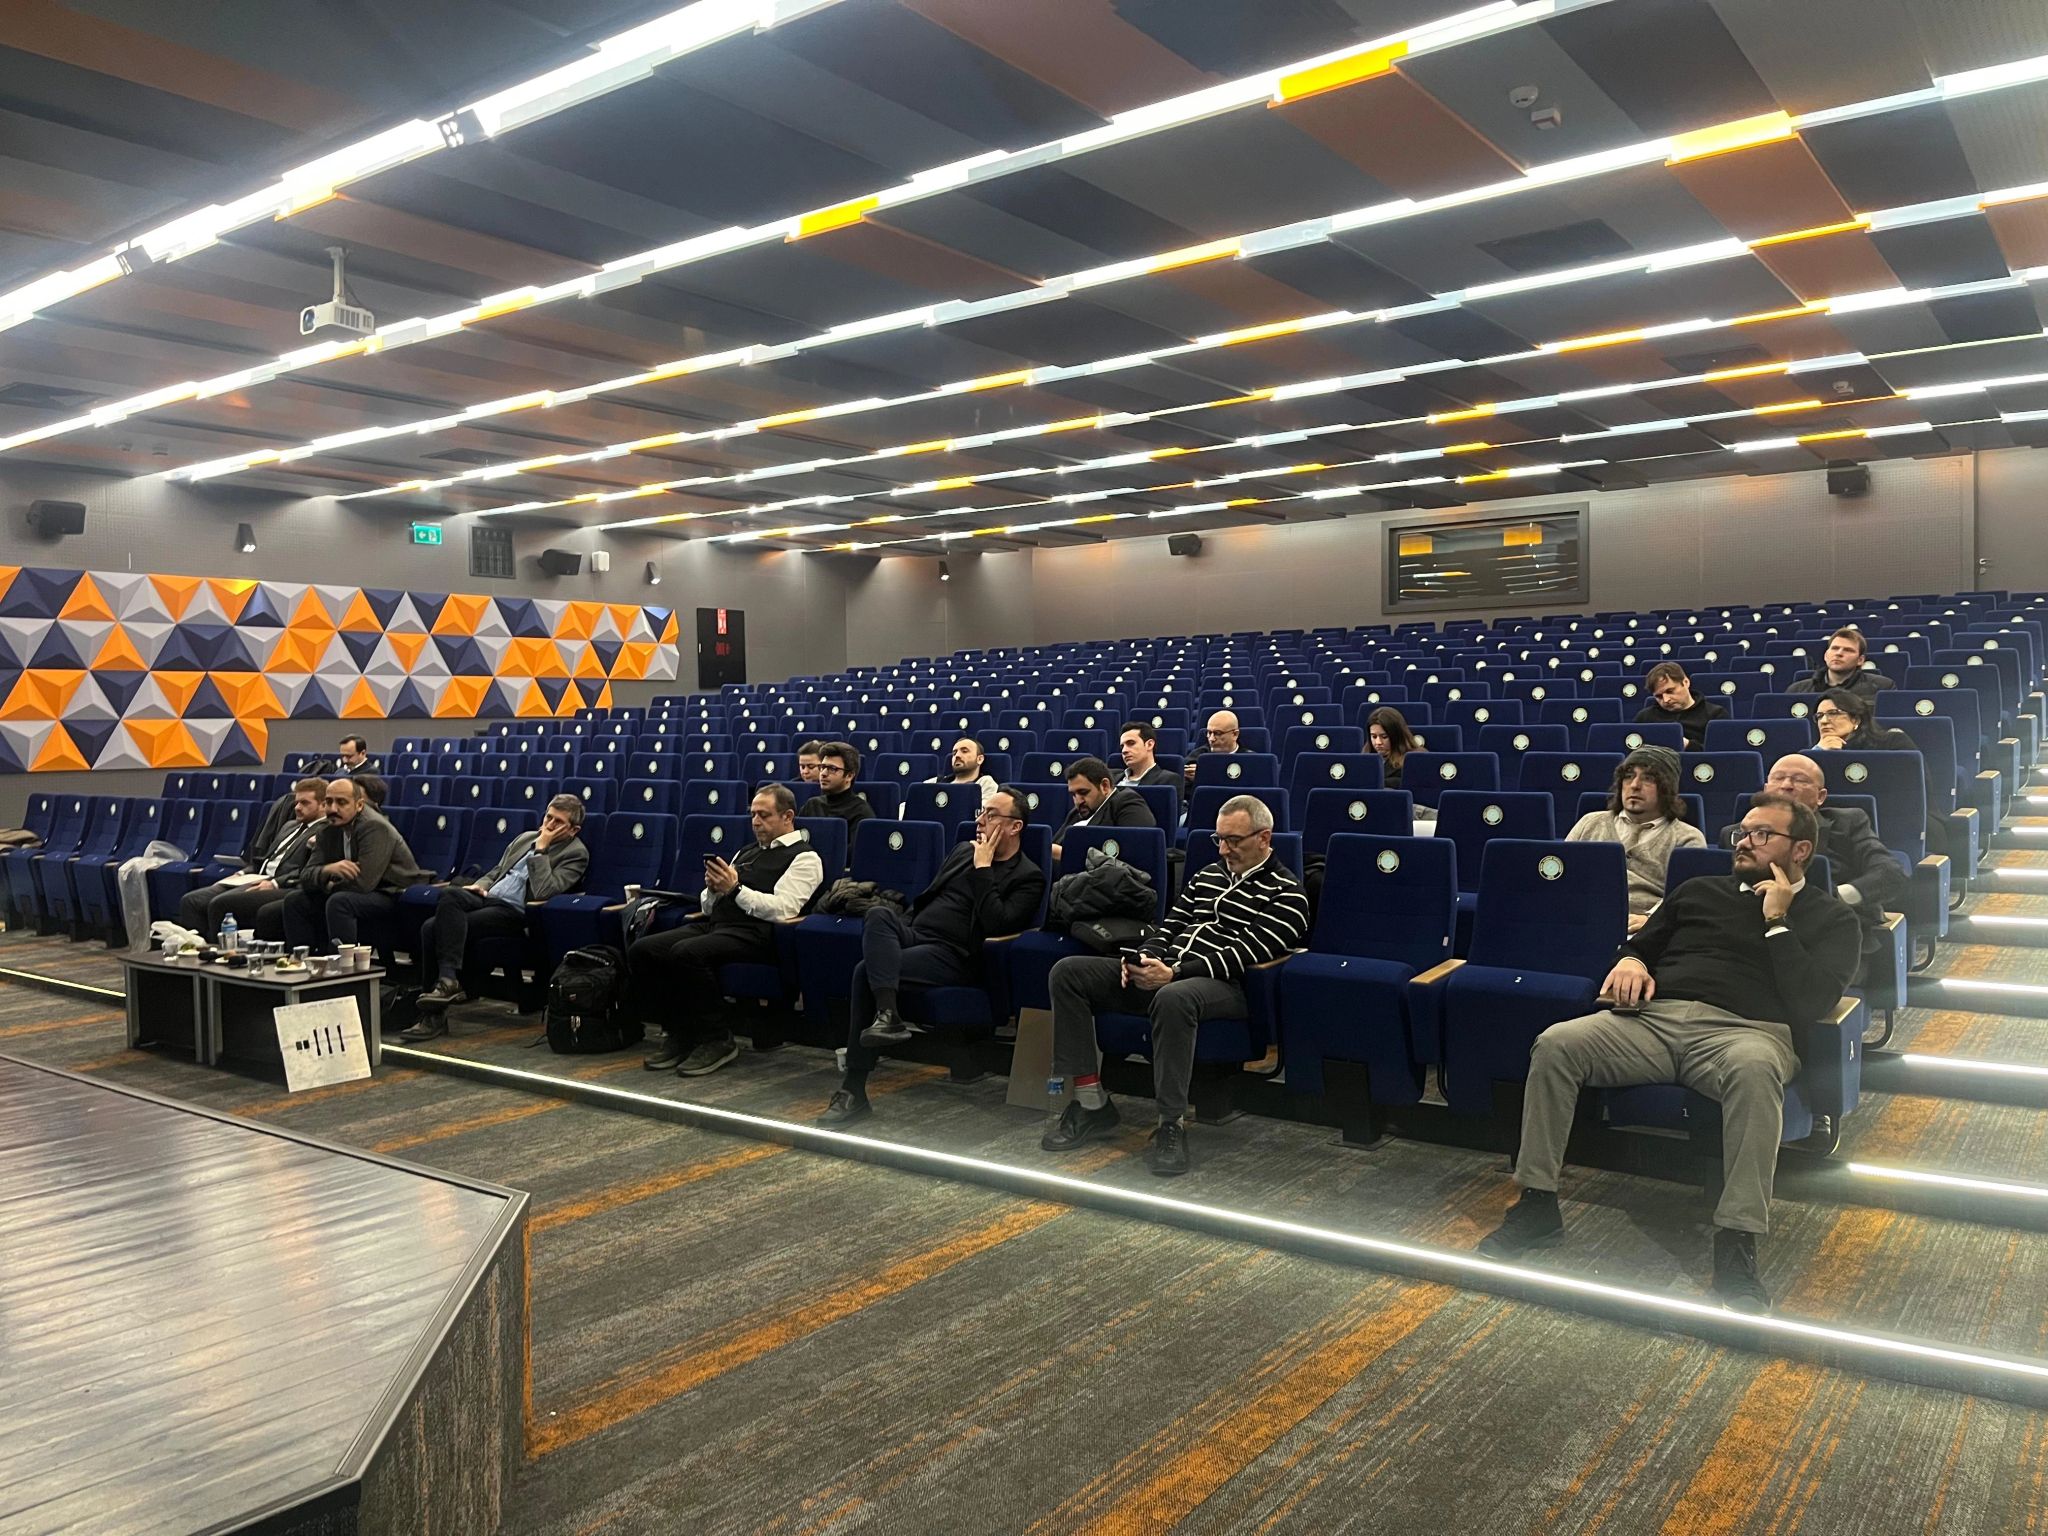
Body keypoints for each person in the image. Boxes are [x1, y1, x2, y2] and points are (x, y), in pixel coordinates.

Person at [1478, 793, 1861, 1313]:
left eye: (1762, 834)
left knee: (1754, 1073)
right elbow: (1640, 944)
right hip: (1654, 1020)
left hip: (1746, 1034)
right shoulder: (1698, 890)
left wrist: (1777, 922)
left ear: (1801, 850)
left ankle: (1737, 1239)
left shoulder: (1832, 918)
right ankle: (1537, 1203)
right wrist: (1632, 960)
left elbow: (1813, 999)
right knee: (1557, 1044)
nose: (1744, 842)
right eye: (1742, 832)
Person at [1038, 795, 1310, 1176]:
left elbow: (1244, 954)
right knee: (1067, 972)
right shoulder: (1208, 875)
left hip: (1224, 987)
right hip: (1169, 973)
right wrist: (1141, 958)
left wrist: (1175, 973)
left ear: (1264, 838)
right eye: (1219, 839)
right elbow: (1170, 926)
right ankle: (1090, 1103)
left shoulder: (1287, 893)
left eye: (1234, 840)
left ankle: (1171, 1124)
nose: (1224, 849)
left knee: (1172, 997)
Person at [817, 787, 1045, 1126]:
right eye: (981, 813)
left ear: (1015, 827)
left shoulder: (1028, 876)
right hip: (916, 934)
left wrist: (983, 869)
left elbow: (997, 923)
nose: (980, 821)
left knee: (866, 972)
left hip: (954, 953)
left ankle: (853, 1088)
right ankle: (887, 1014)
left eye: (991, 815)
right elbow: (929, 896)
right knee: (878, 915)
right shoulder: (961, 851)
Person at [634, 785, 826, 1075]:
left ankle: (717, 1038)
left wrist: (734, 889)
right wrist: (713, 890)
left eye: (764, 815)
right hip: (718, 925)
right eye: (753, 815)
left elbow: (784, 909)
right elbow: (709, 907)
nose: (756, 822)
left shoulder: (805, 858)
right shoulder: (746, 851)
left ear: (788, 816)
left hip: (757, 934)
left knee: (686, 953)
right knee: (644, 950)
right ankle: (680, 1032)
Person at [399, 794, 590, 1038]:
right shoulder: (525, 838)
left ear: (573, 830)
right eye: (548, 817)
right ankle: (447, 982)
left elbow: (544, 891)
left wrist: (542, 850)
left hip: (515, 912)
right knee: (451, 894)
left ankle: (433, 1014)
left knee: (431, 928)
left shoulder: (576, 853)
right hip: (487, 898)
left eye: (558, 822)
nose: (549, 825)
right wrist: (479, 885)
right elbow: (497, 871)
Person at [1740, 754, 1906, 951]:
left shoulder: (1849, 823)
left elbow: (1890, 873)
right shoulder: (1737, 835)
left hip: (1833, 936)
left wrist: (1836, 898)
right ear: (1766, 789)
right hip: (1754, 935)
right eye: (1778, 778)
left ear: (1821, 796)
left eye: (1800, 780)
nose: (1786, 785)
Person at [1565, 746, 1705, 931]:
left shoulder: (1687, 838)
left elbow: (1687, 898)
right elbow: (1564, 879)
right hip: (1582, 921)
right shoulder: (1589, 823)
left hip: (1648, 930)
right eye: (1628, 776)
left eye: (1648, 778)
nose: (1635, 785)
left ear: (1667, 789)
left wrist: (1651, 920)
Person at [279, 778, 425, 954]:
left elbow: (364, 883)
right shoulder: (327, 828)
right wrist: (327, 870)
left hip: (390, 891)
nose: (333, 809)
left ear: (359, 805)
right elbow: (305, 876)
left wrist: (327, 884)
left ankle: (341, 964)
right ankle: (301, 960)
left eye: (341, 802)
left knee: (340, 902)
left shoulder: (374, 827)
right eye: (329, 802)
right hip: (350, 889)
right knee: (295, 900)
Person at [177, 777, 326, 938]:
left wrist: (274, 883)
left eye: (305, 803)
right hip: (256, 876)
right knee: (191, 900)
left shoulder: (324, 832)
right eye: (296, 802)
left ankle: (217, 948)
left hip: (282, 884)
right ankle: (195, 945)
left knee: (220, 904)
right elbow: (264, 860)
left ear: (323, 805)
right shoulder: (289, 826)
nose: (297, 807)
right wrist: (241, 873)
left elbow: (307, 870)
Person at [1813, 687, 1949, 857]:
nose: (1824, 721)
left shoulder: (1893, 743)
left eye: (1833, 713)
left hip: (1900, 825)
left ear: (1856, 719)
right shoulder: (1817, 754)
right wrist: (1818, 752)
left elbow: (1914, 794)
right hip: (1839, 833)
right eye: (1819, 716)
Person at [1050, 756, 1157, 866]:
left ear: (1105, 786)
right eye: (1073, 795)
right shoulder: (1077, 812)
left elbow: (1134, 856)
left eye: (1083, 792)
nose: (1078, 801)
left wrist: (1064, 854)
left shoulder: (1127, 803)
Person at [1634, 662, 1727, 751]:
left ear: (1686, 682)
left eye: (1670, 691)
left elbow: (1721, 753)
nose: (1666, 700)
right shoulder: (1645, 717)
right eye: (1659, 696)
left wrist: (1688, 745)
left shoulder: (1715, 714)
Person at [1787, 627, 1893, 700]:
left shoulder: (1882, 687)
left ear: (1860, 660)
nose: (1839, 653)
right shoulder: (1797, 690)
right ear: (1826, 655)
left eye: (1848, 650)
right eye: (1835, 648)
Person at [798, 742, 875, 831]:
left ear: (849, 776)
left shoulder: (861, 812)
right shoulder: (812, 805)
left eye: (832, 769)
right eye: (822, 767)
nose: (823, 773)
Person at [1114, 722, 1181, 804]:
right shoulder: (1111, 777)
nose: (1124, 750)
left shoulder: (1167, 780)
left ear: (1149, 744)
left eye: (1131, 743)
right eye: (1122, 746)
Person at [925, 737, 996, 805]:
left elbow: (984, 811)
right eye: (954, 753)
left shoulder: (985, 782)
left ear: (979, 759)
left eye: (964, 751)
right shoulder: (935, 782)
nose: (957, 755)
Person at [1184, 710, 1240, 786]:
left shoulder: (1249, 758)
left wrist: (1207, 776)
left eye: (1218, 733)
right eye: (1209, 732)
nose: (1211, 739)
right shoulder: (1198, 756)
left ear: (1235, 734)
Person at [1368, 707, 1417, 789]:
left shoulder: (1413, 760)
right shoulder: (1365, 755)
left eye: (1384, 737)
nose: (1378, 742)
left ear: (1397, 735)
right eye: (1374, 736)